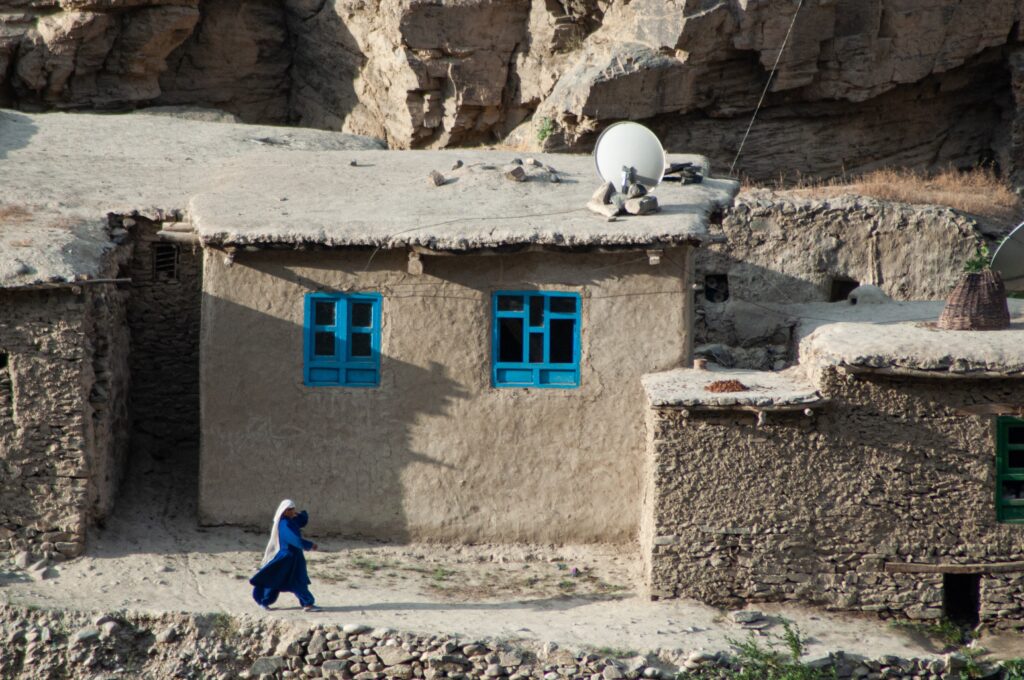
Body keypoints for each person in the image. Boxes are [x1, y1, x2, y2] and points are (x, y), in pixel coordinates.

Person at [250, 499, 322, 612]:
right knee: (274, 579)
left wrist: (301, 513)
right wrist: (309, 545)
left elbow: (302, 521)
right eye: (291, 509)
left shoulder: (291, 521)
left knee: (298, 580)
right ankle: (264, 601)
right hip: (286, 558)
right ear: (285, 511)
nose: (293, 511)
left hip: (296, 557)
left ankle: (308, 604)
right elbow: (294, 539)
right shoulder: (285, 524)